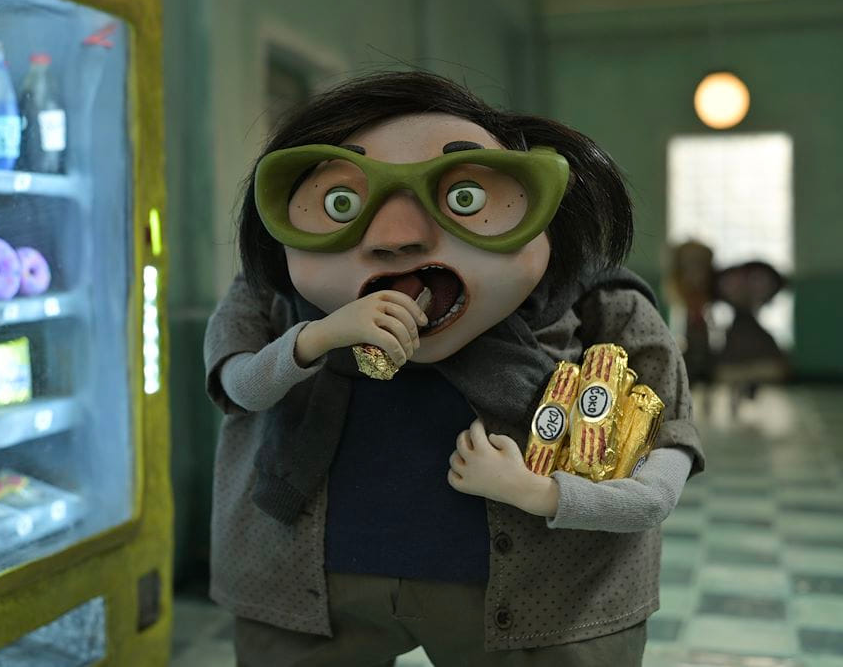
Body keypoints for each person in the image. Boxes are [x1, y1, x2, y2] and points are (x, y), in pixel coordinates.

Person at [203, 71, 705, 666]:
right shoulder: (269, 299)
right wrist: (316, 338)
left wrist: (540, 492)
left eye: (464, 198)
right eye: (343, 202)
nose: (397, 237)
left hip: (549, 602)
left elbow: (657, 482)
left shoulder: (605, 310)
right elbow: (238, 388)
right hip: (308, 595)